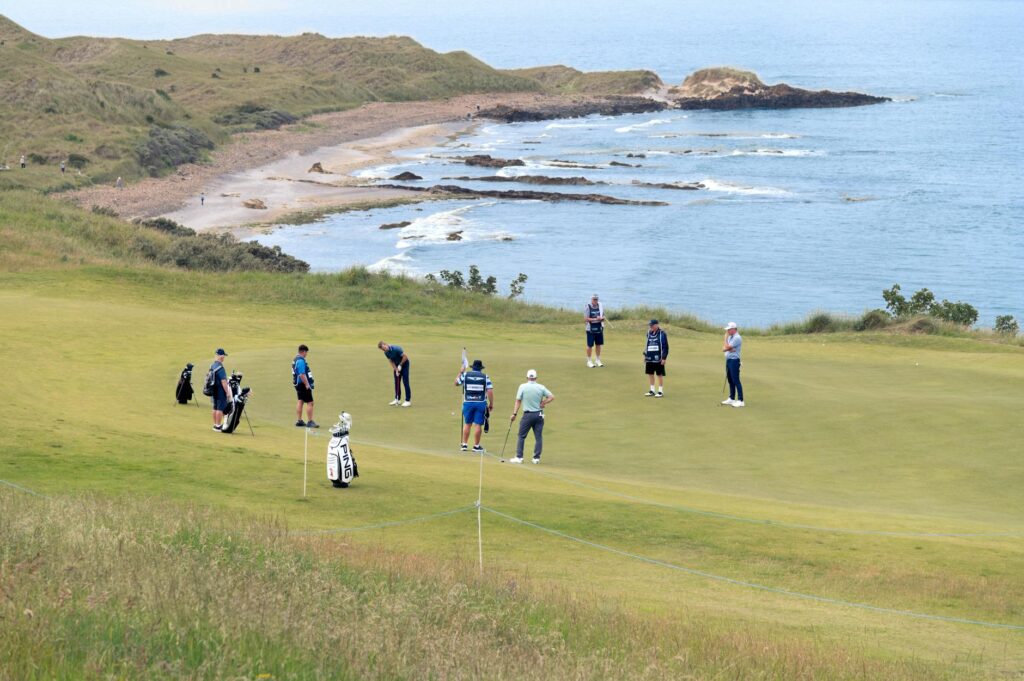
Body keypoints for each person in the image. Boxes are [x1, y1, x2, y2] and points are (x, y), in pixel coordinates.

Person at [510, 369, 555, 464]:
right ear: (535, 378)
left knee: (521, 436)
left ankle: (519, 457)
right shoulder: (541, 387)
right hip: (539, 415)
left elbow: (518, 401)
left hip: (528, 415)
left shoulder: (522, 386)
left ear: (527, 378)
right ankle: (536, 458)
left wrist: (514, 414)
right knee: (538, 437)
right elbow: (551, 397)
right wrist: (543, 402)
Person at [455, 359, 494, 452]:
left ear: (473, 367)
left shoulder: (465, 375)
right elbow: (489, 391)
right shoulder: (485, 377)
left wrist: (461, 371)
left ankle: (464, 445)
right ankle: (476, 446)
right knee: (478, 425)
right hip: (481, 403)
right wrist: (491, 403)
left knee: (467, 423)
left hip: (468, 402)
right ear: (481, 368)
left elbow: (456, 383)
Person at [378, 341, 411, 406]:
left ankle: (407, 400)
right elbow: (391, 361)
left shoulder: (396, 349)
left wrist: (400, 365)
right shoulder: (386, 353)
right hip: (397, 366)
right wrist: (396, 369)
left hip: (404, 364)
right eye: (383, 349)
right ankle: (397, 399)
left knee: (405, 382)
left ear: (386, 344)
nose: (385, 349)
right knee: (396, 382)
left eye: (384, 347)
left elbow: (405, 357)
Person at [292, 344, 318, 427]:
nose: (306, 354)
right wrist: (307, 384)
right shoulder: (300, 361)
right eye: (306, 352)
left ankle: (299, 421)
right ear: (303, 351)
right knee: (310, 402)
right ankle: (310, 421)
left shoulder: (295, 359)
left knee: (301, 401)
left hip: (298, 384)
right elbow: (302, 374)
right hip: (303, 384)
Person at [643, 319, 669, 397]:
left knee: (659, 374)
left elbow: (665, 347)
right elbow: (647, 345)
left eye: (652, 325)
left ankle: (660, 391)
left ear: (656, 325)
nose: (650, 327)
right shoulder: (649, 333)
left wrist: (664, 358)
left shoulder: (662, 334)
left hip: (659, 358)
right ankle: (652, 390)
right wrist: (645, 356)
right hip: (650, 358)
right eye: (650, 325)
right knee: (650, 374)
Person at [721, 322, 744, 407]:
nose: (727, 331)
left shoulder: (737, 338)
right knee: (730, 380)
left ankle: (741, 400)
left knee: (736, 380)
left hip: (734, 361)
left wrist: (726, 343)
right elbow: (725, 348)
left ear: (734, 329)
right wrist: (728, 348)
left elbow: (725, 348)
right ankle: (731, 398)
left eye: (729, 329)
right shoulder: (731, 337)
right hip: (729, 360)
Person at [209, 348, 233, 431]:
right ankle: (218, 426)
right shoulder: (220, 368)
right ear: (220, 356)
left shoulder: (212, 365)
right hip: (220, 390)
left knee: (215, 407)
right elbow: (223, 382)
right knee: (220, 408)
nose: (224, 358)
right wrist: (227, 392)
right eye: (223, 356)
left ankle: (215, 424)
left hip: (213, 390)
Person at [584, 293, 606, 367]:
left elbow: (603, 317)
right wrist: (595, 319)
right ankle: (589, 361)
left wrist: (602, 318)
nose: (595, 301)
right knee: (590, 345)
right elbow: (586, 319)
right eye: (594, 299)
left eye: (596, 299)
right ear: (591, 299)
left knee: (598, 344)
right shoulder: (588, 306)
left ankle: (597, 360)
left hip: (599, 328)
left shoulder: (600, 306)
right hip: (590, 329)